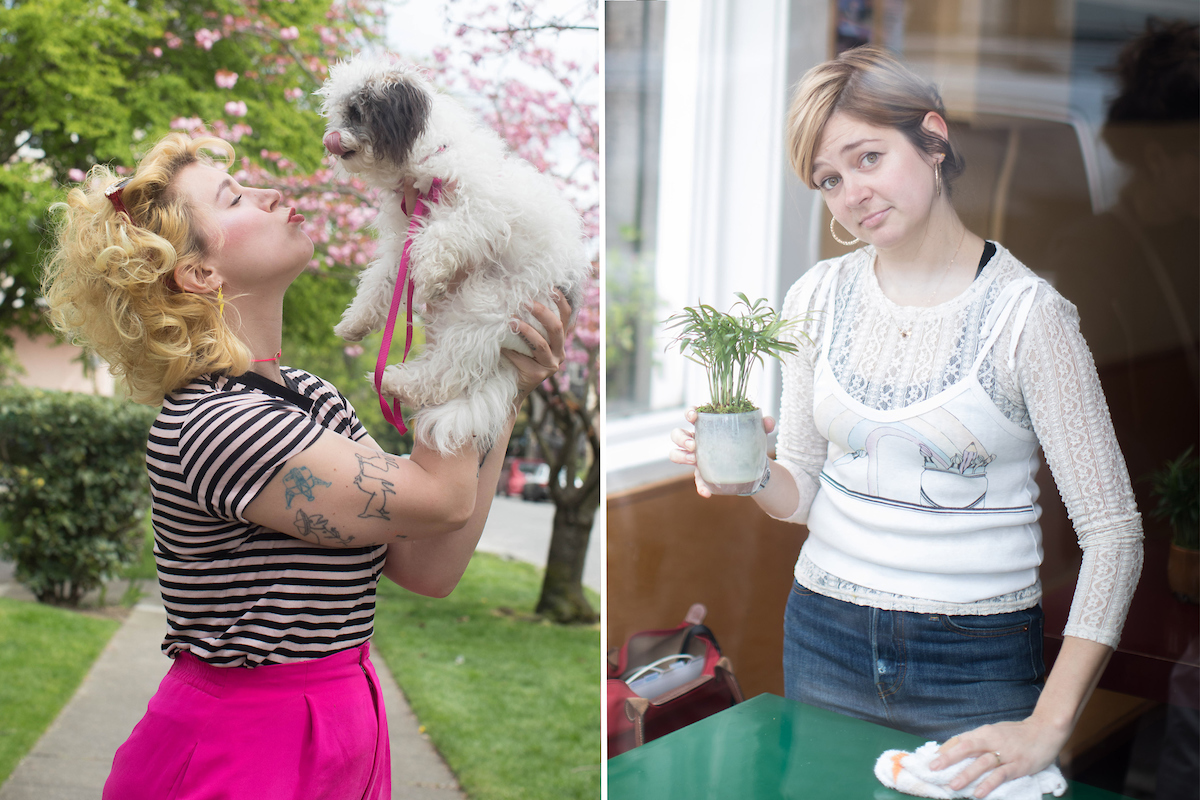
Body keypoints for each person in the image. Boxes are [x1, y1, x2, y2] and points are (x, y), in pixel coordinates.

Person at [670, 46, 1143, 798]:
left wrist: (1050, 724)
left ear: (932, 138)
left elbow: (1115, 534)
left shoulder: (1030, 319)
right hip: (824, 633)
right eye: (829, 179)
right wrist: (754, 470)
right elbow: (805, 495)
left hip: (977, 658)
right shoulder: (815, 298)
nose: (850, 193)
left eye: (867, 158)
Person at [41, 132, 571, 799]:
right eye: (234, 197)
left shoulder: (307, 397)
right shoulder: (216, 423)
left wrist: (505, 389)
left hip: (339, 725)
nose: (270, 195)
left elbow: (427, 565)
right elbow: (439, 498)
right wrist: (468, 325)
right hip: (244, 748)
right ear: (200, 273)